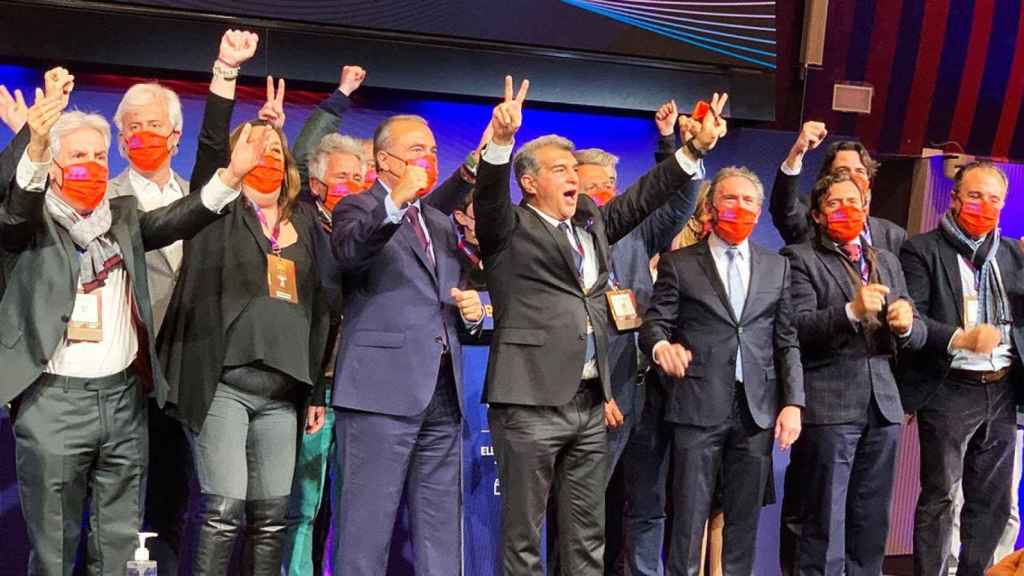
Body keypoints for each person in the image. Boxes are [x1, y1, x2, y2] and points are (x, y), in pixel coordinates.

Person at [475, 75, 726, 575]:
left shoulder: (590, 223)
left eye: (574, 168)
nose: (572, 176)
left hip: (590, 404)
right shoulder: (509, 228)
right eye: (560, 169)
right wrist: (500, 143)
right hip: (529, 402)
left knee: (586, 536)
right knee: (525, 538)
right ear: (529, 182)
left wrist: (690, 149)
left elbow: (639, 199)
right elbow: (487, 198)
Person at [1, 70, 241, 575]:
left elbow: (182, 216)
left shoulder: (124, 218)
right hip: (53, 402)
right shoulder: (28, 225)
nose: (90, 165)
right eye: (78, 157)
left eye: (98, 156)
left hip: (123, 401)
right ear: (55, 168)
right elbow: (17, 202)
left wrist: (232, 177)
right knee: (54, 544)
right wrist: (36, 142)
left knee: (119, 541)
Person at [158, 114, 335, 574]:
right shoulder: (219, 213)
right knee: (221, 513)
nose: (269, 154)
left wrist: (315, 390)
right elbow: (211, 151)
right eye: (257, 145)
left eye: (277, 148)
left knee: (273, 518)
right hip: (225, 387)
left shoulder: (307, 225)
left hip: (284, 395)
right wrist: (226, 75)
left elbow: (320, 311)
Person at [329, 111, 484, 576]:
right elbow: (352, 253)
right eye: (418, 149)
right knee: (365, 531)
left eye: (434, 150)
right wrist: (395, 201)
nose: (429, 157)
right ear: (385, 160)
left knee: (441, 532)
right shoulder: (356, 207)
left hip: (441, 390)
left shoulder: (439, 223)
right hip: (380, 394)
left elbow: (446, 295)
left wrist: (474, 311)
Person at [639, 166, 804, 576]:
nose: (740, 207)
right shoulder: (680, 263)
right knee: (689, 519)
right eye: (730, 199)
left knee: (742, 523)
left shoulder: (776, 266)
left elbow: (786, 340)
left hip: (756, 412)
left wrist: (794, 402)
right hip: (696, 407)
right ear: (712, 207)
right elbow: (654, 323)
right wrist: (662, 347)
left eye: (748, 201)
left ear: (760, 209)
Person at [779, 168, 926, 576]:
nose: (846, 209)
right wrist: (851, 313)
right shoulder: (800, 258)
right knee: (822, 521)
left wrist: (908, 324)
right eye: (834, 203)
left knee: (871, 519)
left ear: (867, 207)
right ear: (817, 216)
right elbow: (796, 328)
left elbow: (920, 332)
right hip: (830, 404)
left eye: (854, 201)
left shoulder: (888, 261)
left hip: (883, 406)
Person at [900, 162, 1023, 576]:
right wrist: (961, 338)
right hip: (951, 387)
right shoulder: (922, 250)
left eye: (994, 199)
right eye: (974, 196)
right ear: (954, 199)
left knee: (993, 502)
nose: (984, 206)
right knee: (941, 497)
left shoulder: (1010, 254)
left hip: (1002, 389)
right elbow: (913, 321)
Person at [769, 122, 906, 254]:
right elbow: (784, 209)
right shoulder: (809, 216)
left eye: (859, 171)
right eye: (843, 171)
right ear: (827, 177)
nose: (852, 177)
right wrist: (797, 152)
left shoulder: (893, 235)